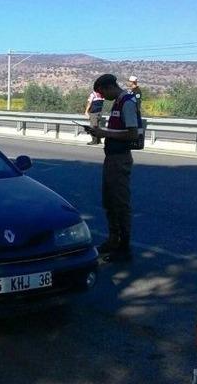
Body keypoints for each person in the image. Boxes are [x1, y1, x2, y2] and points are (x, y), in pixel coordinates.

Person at [83, 74, 141, 263]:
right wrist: (99, 132)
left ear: (108, 87)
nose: (102, 97)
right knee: (109, 201)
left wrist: (104, 133)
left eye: (102, 93)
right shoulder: (117, 102)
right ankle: (113, 239)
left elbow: (132, 133)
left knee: (120, 203)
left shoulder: (127, 102)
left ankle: (124, 247)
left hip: (120, 158)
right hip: (111, 158)